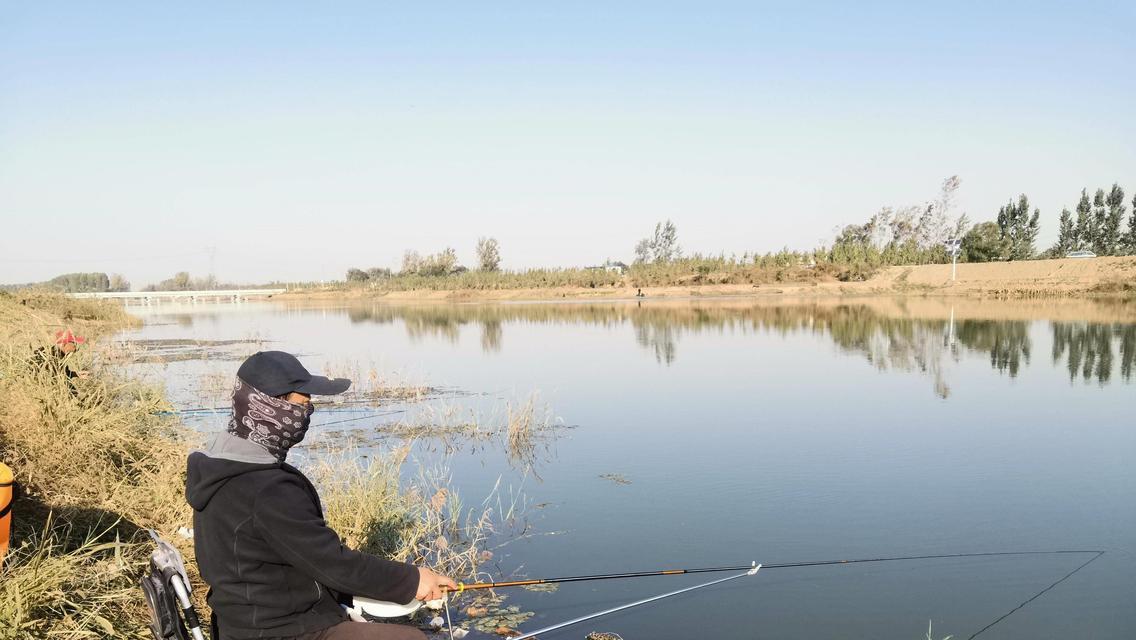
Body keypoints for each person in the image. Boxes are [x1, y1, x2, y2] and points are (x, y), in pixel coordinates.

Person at [186, 351, 456, 640]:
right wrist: (413, 579)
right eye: (302, 404)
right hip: (279, 629)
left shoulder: (221, 466)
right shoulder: (266, 489)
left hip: (245, 620)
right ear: (268, 407)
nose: (307, 413)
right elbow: (332, 563)